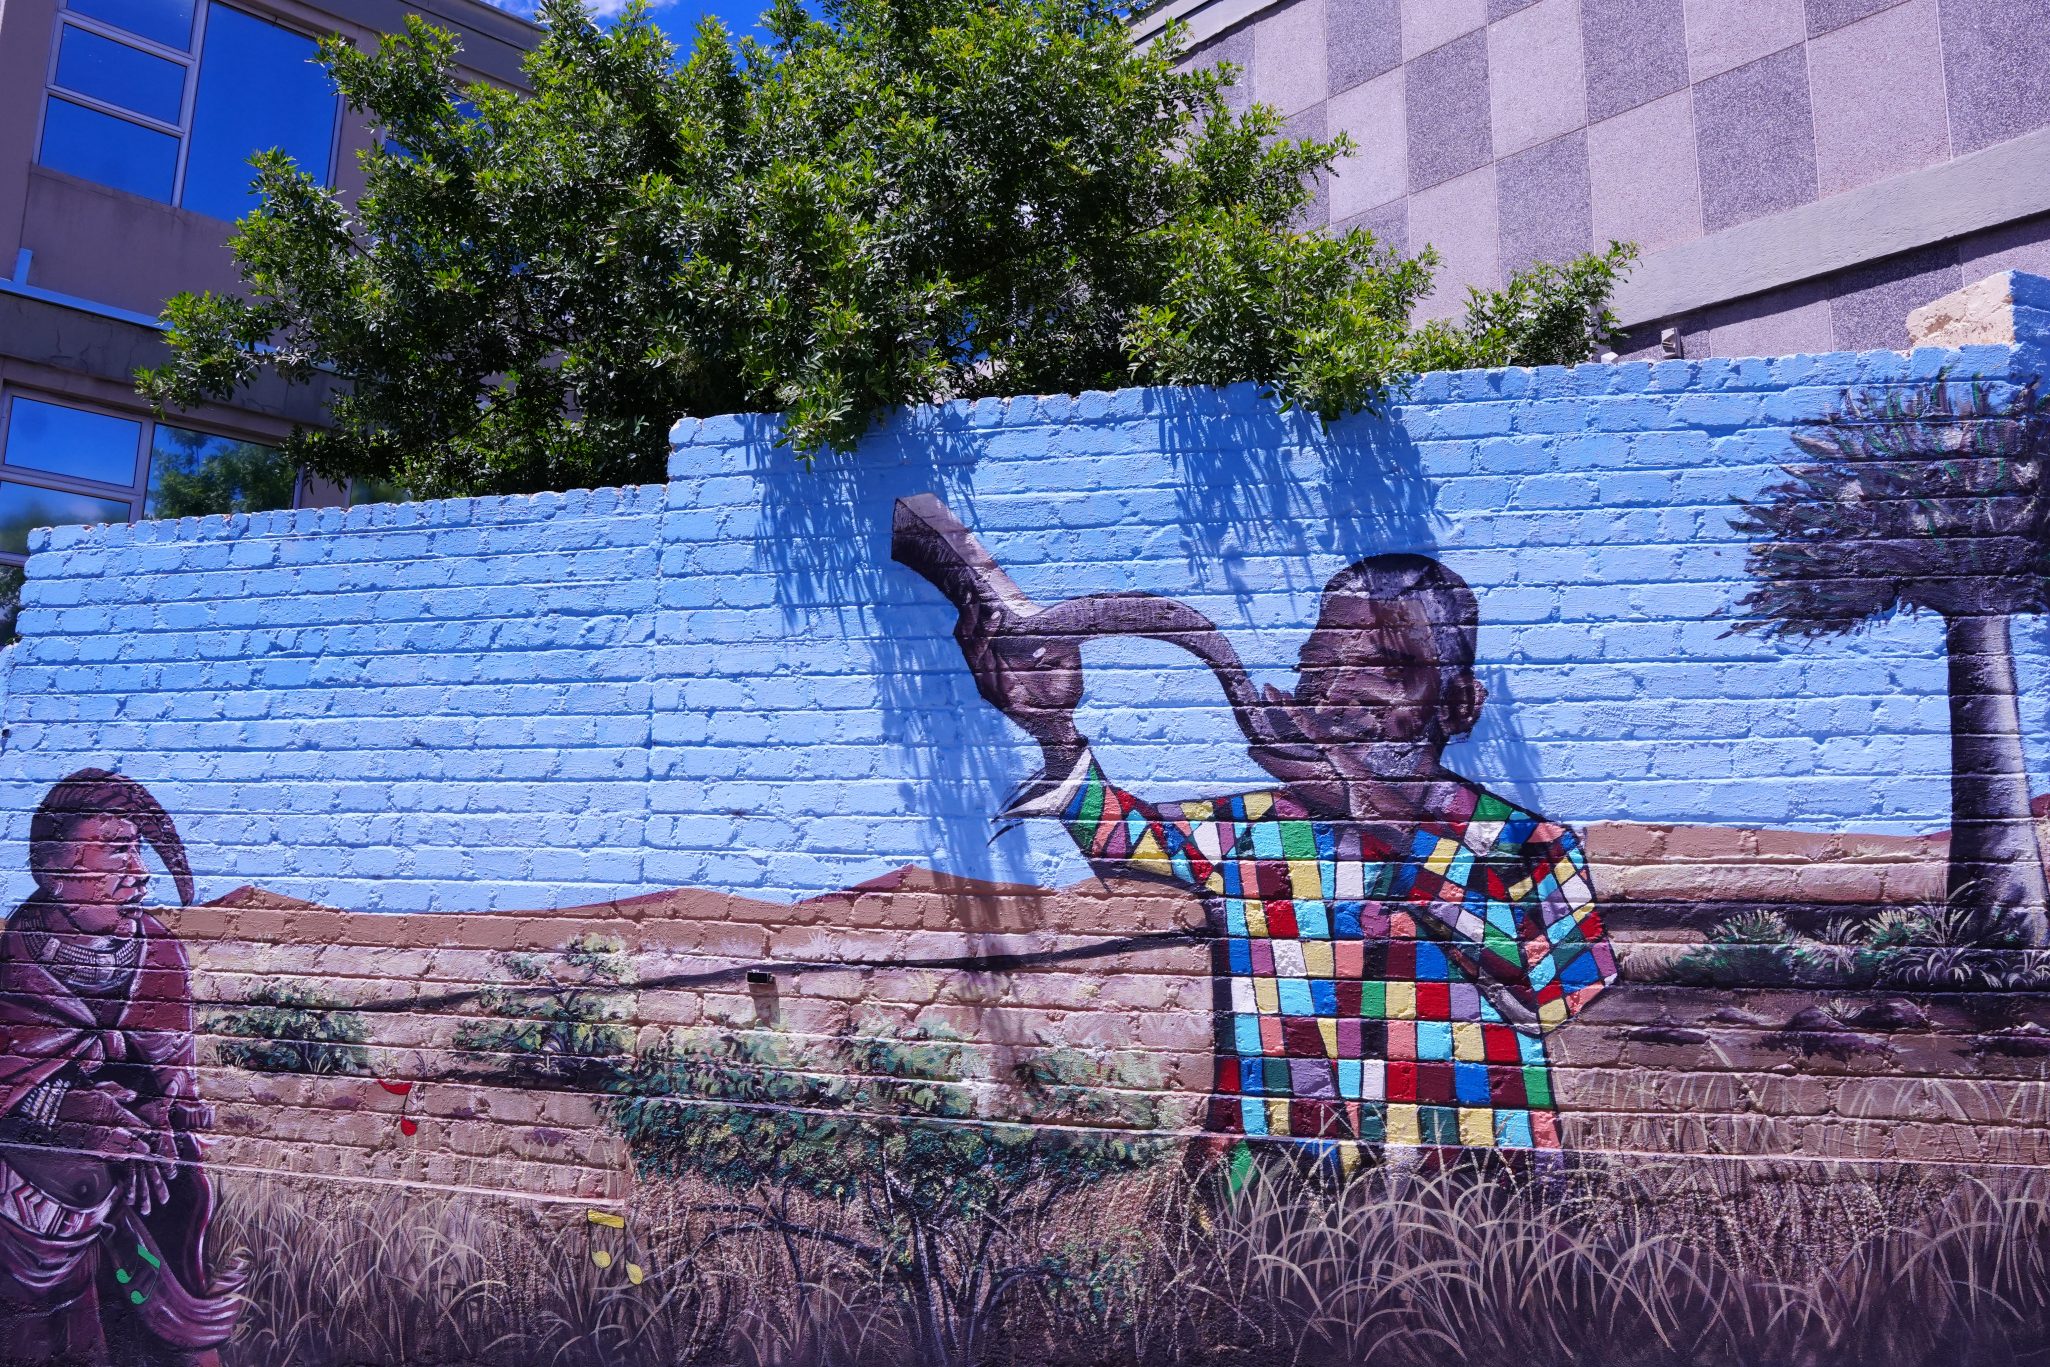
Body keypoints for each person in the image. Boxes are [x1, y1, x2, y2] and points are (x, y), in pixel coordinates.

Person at [958, 554, 1618, 1158]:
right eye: (1319, 670)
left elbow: (1559, 984)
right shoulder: (1255, 830)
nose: (1343, 693)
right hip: (1270, 1204)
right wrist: (1053, 726)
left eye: (1391, 669)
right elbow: (1115, 833)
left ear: (1460, 702)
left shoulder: (1524, 846)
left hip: (1468, 1206)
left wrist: (1369, 810)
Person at [0, 769, 240, 1363]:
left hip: (140, 1195)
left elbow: (170, 1071)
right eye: (116, 851)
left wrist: (162, 1113)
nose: (140, 873)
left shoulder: (158, 953)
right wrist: (55, 1109)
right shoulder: (11, 969)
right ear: (54, 873)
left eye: (138, 850)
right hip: (36, 1223)